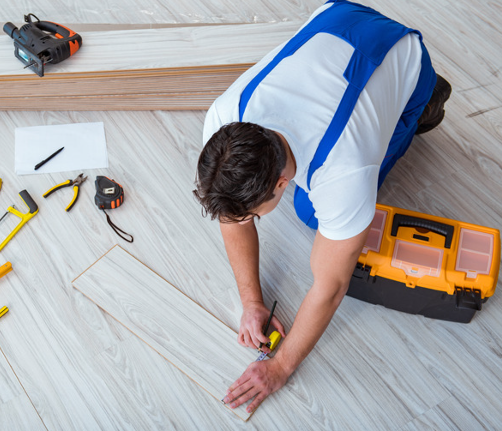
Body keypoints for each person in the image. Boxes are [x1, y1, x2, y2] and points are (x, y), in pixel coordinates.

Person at [193, 0, 452, 413]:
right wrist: (251, 302)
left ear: (281, 181)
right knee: (316, 211)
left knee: (314, 214)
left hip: (401, 52)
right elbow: (232, 215)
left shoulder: (344, 174)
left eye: (254, 214)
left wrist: (279, 367)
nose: (245, 221)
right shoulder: (225, 122)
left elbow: (330, 288)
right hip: (338, 15)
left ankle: (426, 98)